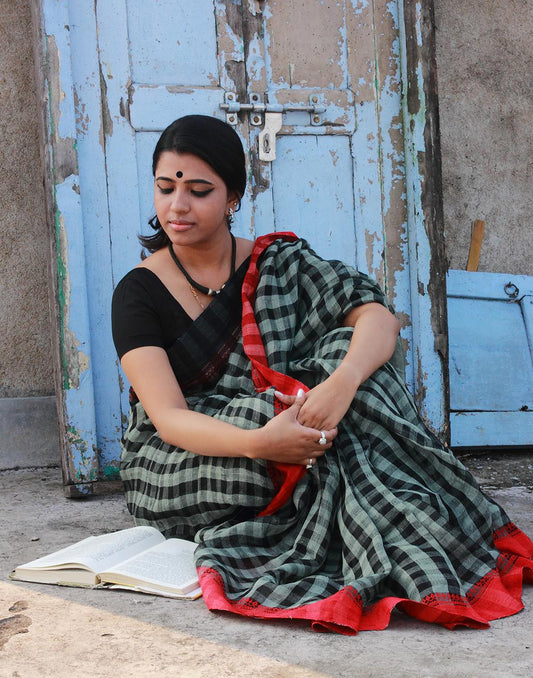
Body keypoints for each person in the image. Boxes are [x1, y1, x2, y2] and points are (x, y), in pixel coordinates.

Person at [112, 114, 532, 634]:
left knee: (349, 357)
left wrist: (341, 384)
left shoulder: (279, 262)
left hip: (303, 422)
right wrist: (263, 442)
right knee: (284, 419)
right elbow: (170, 418)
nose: (178, 206)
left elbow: (378, 318)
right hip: (189, 455)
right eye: (165, 188)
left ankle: (340, 485)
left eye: (199, 190)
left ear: (233, 198)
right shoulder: (137, 293)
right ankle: (327, 480)